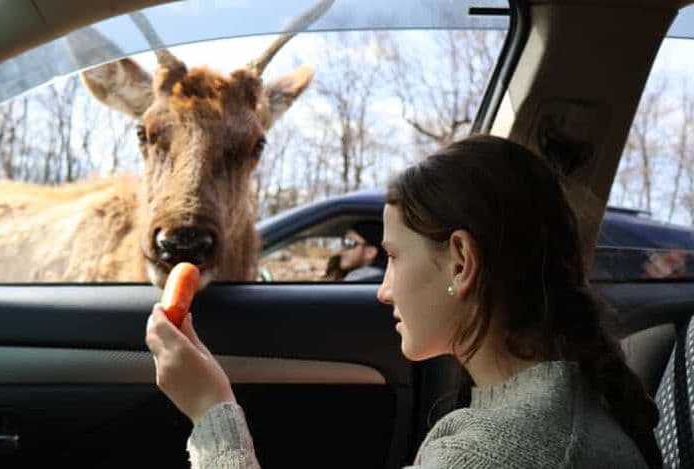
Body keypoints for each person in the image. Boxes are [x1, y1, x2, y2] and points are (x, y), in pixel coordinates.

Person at [144, 135, 662, 468]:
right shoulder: (566, 408)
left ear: (460, 261)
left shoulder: (489, 454)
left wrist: (212, 412)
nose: (382, 289)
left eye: (392, 256)